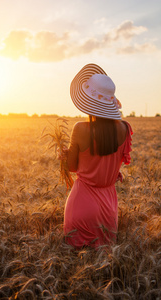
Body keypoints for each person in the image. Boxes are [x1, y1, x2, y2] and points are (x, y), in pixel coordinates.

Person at [63, 63, 133, 249]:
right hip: (109, 210)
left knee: (74, 266)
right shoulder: (124, 129)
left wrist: (64, 156)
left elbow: (71, 167)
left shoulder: (80, 129)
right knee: (105, 264)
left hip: (81, 205)